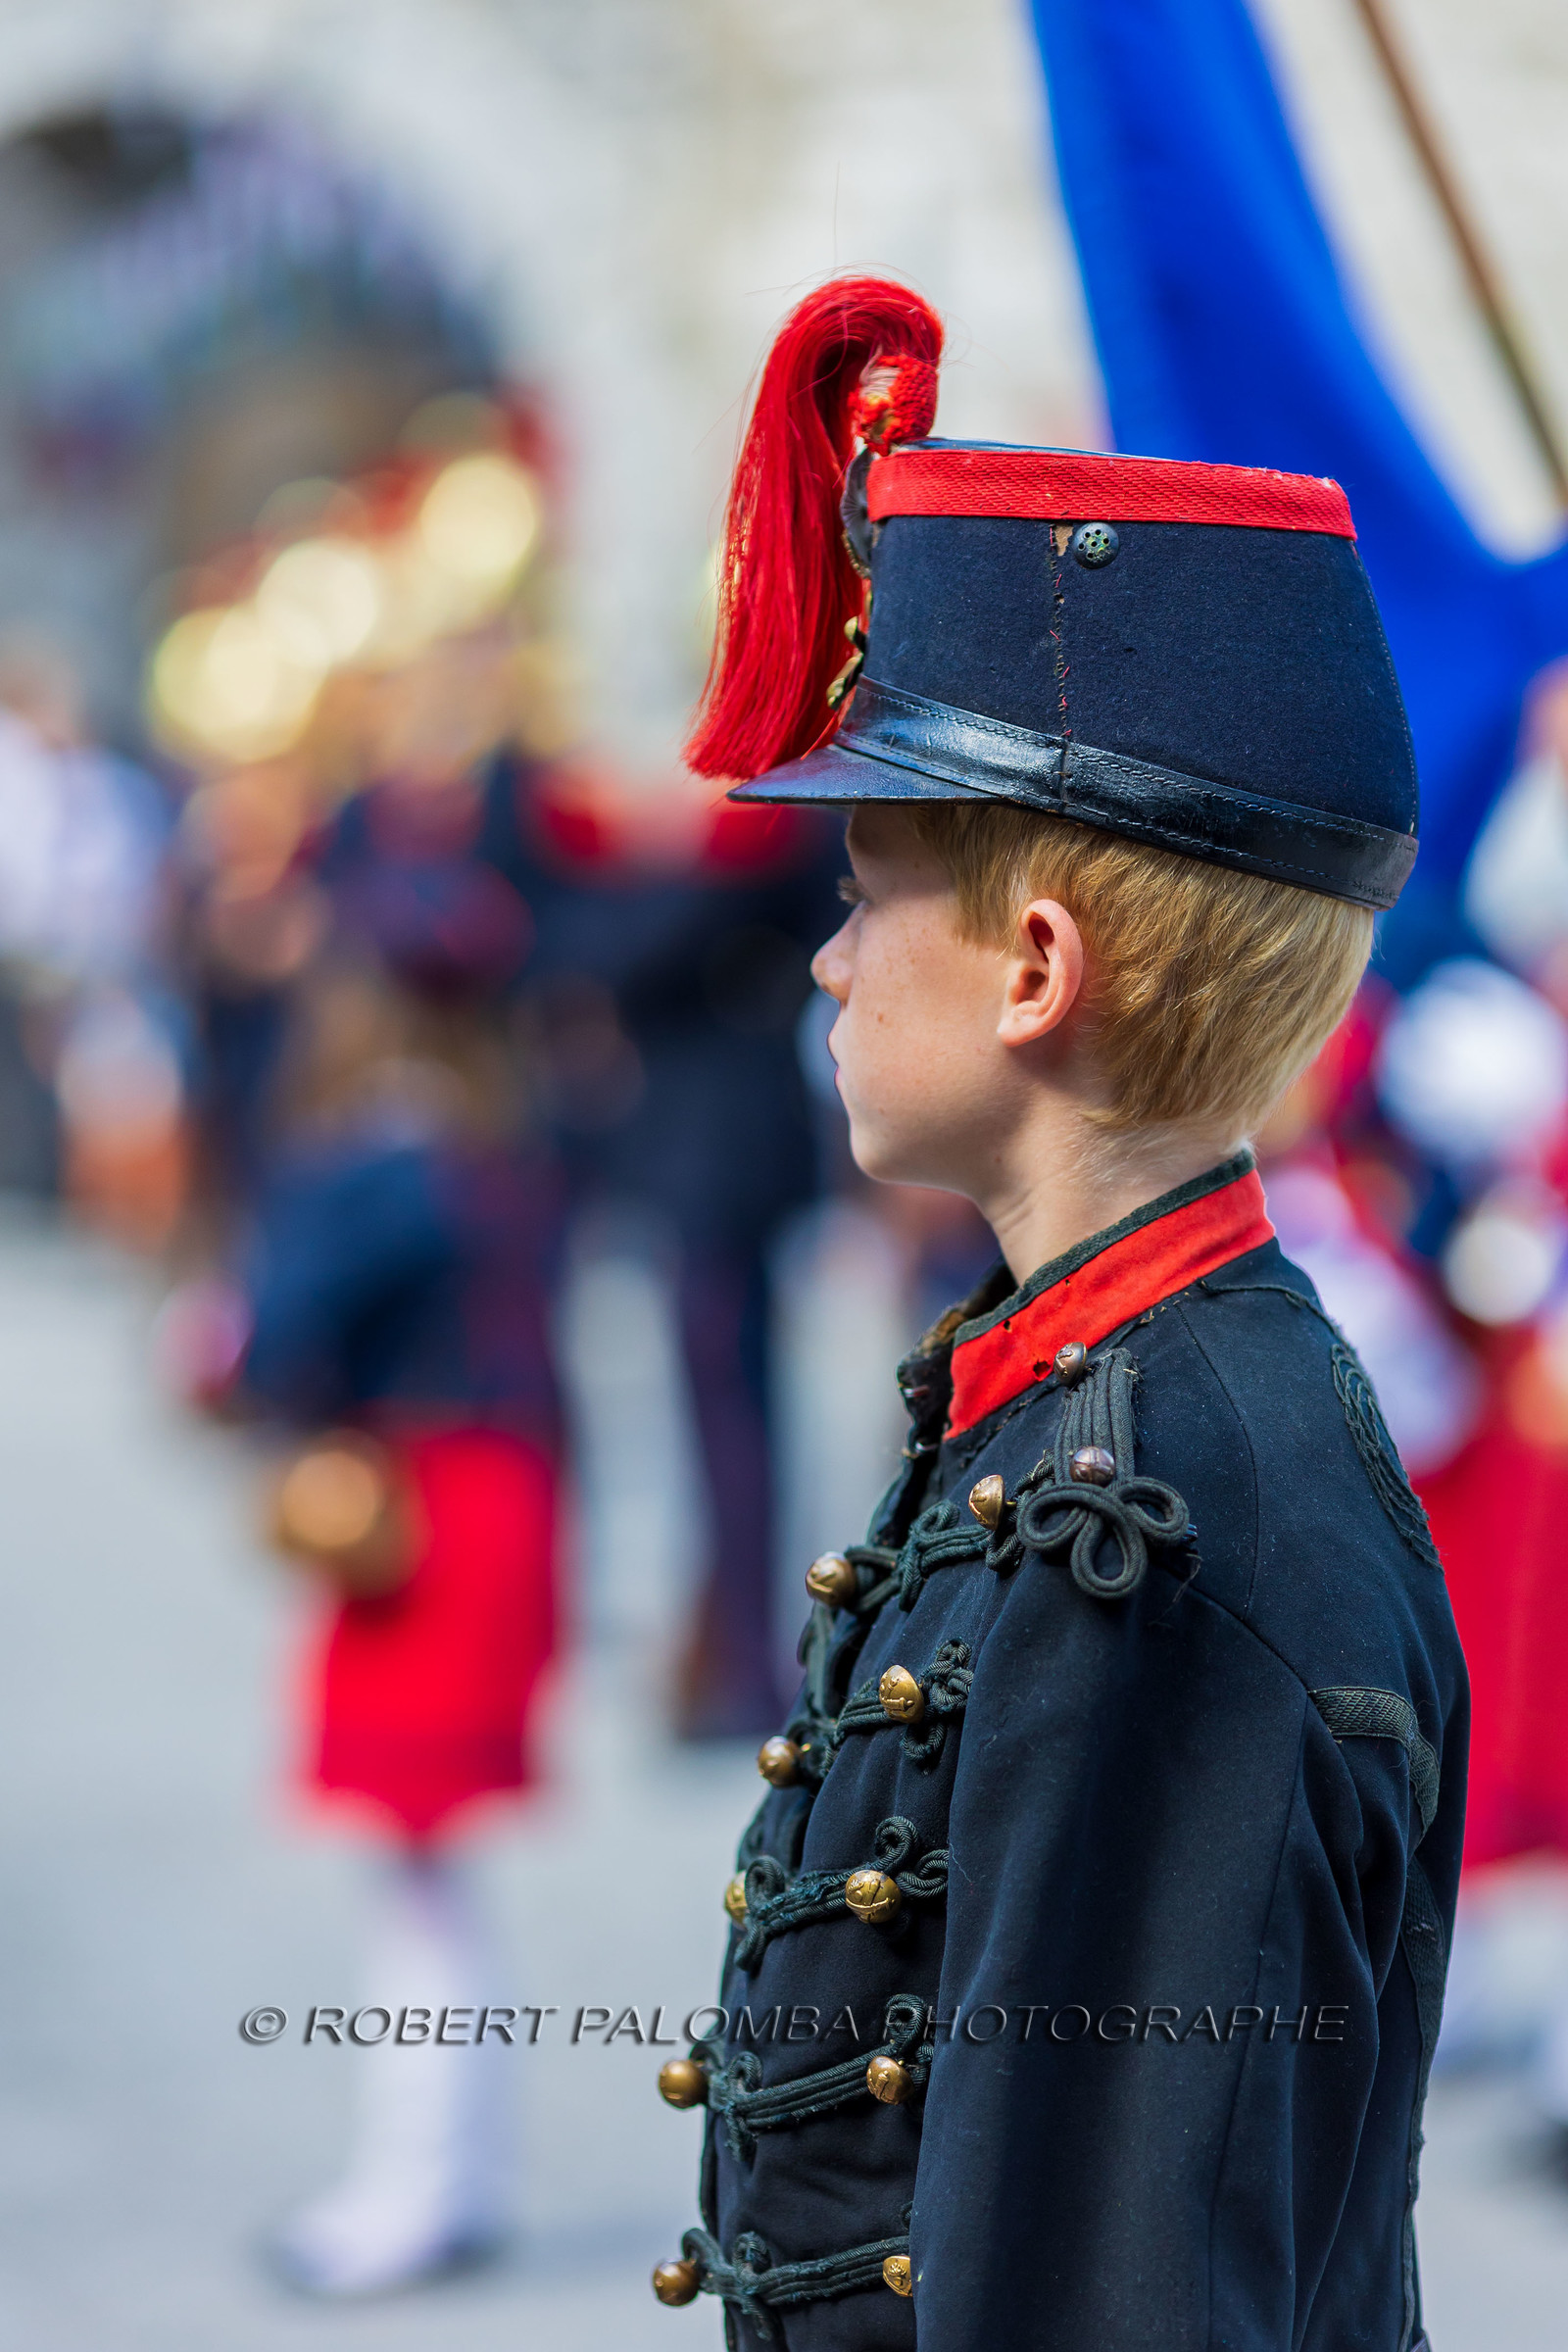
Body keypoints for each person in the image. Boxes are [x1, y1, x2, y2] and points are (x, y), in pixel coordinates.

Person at [648, 278, 1467, 2349]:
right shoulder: (1093, 1397)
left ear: (1030, 966)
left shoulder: (1167, 1512)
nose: (828, 966)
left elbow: (1108, 2285)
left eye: (858, 895)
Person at [235, 860, 561, 2297]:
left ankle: (416, 2190)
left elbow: (263, 1340)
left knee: (413, 1885)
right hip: (503, 1503)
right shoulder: (504, 1135)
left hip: (416, 1516)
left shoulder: (368, 1155)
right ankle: (454, 2173)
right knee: (434, 1881)